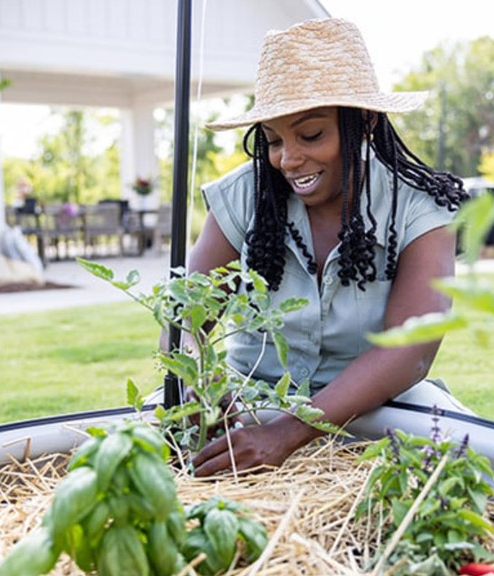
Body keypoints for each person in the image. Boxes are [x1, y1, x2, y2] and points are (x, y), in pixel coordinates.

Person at [189, 18, 471, 477]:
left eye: (311, 135)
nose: (289, 159)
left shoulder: (419, 206)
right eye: (274, 139)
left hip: (379, 406)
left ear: (364, 123)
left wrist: (287, 432)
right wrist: (202, 388)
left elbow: (411, 349)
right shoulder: (241, 196)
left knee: (463, 462)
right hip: (249, 402)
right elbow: (184, 316)